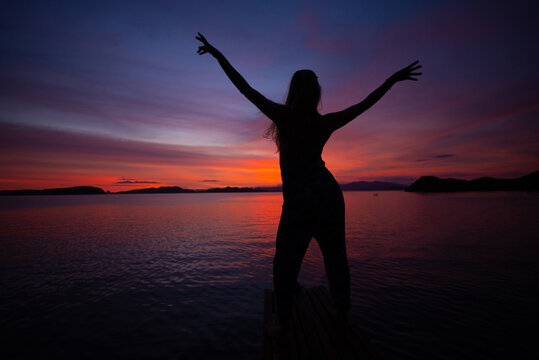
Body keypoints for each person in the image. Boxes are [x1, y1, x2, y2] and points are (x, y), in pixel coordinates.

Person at [196, 33, 421, 340]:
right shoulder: (323, 122)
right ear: (315, 93)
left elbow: (244, 87)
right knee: (335, 258)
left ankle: (285, 323)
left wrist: (217, 53)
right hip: (328, 195)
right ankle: (341, 314)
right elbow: (363, 105)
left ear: (294, 91)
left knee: (285, 261)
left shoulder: (285, 116)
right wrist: (392, 79)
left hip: (301, 200)